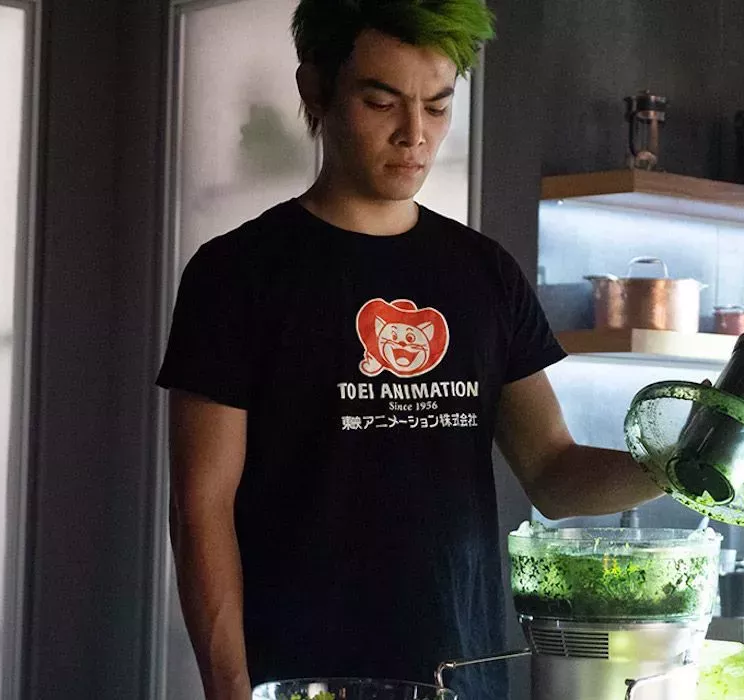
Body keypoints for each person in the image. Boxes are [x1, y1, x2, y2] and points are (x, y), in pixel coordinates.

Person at [157, 2, 673, 698]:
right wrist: (230, 688)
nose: (415, 135)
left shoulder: (485, 274)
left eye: (437, 106)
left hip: (460, 677)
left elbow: (554, 472)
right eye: (382, 102)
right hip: (305, 680)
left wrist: (687, 465)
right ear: (316, 89)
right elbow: (200, 508)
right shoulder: (236, 274)